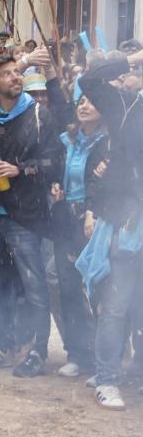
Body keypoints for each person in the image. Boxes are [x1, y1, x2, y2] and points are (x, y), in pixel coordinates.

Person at [0, 53, 61, 377]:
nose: (15, 78)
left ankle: (36, 350)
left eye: (17, 72)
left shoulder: (39, 116)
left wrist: (22, 169)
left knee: (33, 287)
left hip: (25, 218)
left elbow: (54, 164)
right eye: (7, 74)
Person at [74, 55, 143, 409]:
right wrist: (131, 59)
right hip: (128, 220)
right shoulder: (126, 106)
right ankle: (107, 378)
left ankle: (138, 375)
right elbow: (89, 82)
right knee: (115, 304)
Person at [50, 94, 108, 379]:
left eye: (91, 101)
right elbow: (56, 172)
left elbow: (103, 183)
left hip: (93, 223)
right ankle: (77, 354)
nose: (84, 106)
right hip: (66, 221)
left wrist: (91, 210)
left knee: (97, 290)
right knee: (68, 287)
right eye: (81, 101)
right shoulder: (67, 139)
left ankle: (104, 360)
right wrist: (55, 185)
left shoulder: (108, 143)